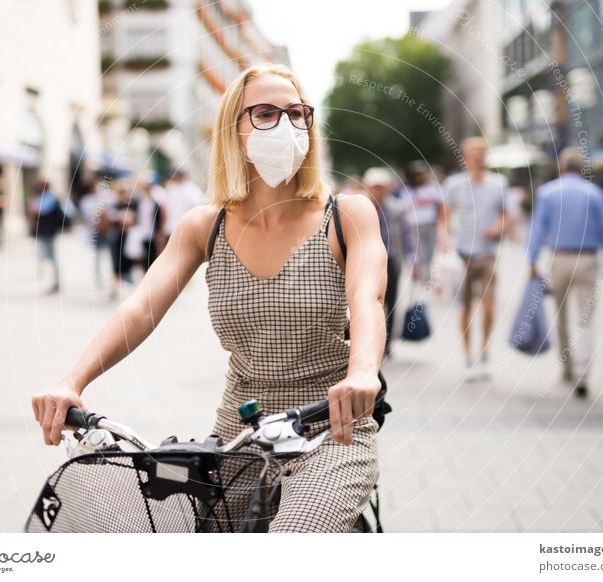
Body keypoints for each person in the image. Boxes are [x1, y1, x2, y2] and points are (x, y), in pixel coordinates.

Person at [31, 64, 388, 533]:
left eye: (296, 113)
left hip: (332, 426)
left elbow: (368, 299)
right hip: (240, 435)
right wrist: (71, 381)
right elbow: (141, 308)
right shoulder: (206, 226)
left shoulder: (348, 215)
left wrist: (362, 372)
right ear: (233, 130)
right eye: (264, 113)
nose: (285, 124)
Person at [526, 148, 603, 398]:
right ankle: (582, 372)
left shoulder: (547, 192)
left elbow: (537, 229)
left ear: (562, 168)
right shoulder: (595, 194)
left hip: (560, 258)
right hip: (587, 258)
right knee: (585, 318)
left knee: (561, 315)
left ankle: (566, 366)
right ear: (582, 169)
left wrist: (531, 261)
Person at [439, 137, 509, 380]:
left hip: (487, 253)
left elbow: (505, 216)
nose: (478, 159)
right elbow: (444, 216)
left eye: (481, 155)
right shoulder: (455, 184)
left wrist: (497, 228)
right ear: (466, 158)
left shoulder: (499, 183)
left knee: (489, 305)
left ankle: (484, 351)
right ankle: (468, 356)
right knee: (466, 307)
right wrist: (444, 238)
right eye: (473, 156)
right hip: (463, 253)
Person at [362, 167, 407, 357]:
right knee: (368, 301)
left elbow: (407, 235)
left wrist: (415, 260)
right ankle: (368, 340)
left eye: (381, 187)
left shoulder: (397, 208)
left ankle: (387, 343)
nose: (378, 191)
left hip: (392, 259)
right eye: (374, 187)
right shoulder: (360, 208)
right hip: (366, 263)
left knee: (391, 302)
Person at [401, 161, 446, 286]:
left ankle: (425, 275)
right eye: (416, 174)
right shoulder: (407, 190)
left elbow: (440, 206)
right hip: (414, 226)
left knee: (430, 252)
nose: (419, 177)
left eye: (421, 174)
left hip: (430, 224)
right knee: (418, 252)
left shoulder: (431, 188)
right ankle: (420, 275)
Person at [28, 179, 63, 294]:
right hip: (45, 232)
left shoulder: (48, 199)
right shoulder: (45, 198)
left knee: (50, 257)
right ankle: (52, 280)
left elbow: (37, 210)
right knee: (46, 256)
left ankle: (55, 282)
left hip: (48, 232)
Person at [107, 185, 137, 300]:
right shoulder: (116, 205)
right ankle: (114, 287)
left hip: (130, 238)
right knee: (116, 263)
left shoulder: (134, 205)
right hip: (118, 237)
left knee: (129, 262)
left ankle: (126, 282)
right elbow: (111, 219)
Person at [162, 169, 203, 246]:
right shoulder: (171, 188)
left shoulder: (192, 189)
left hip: (185, 230)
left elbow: (197, 210)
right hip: (171, 230)